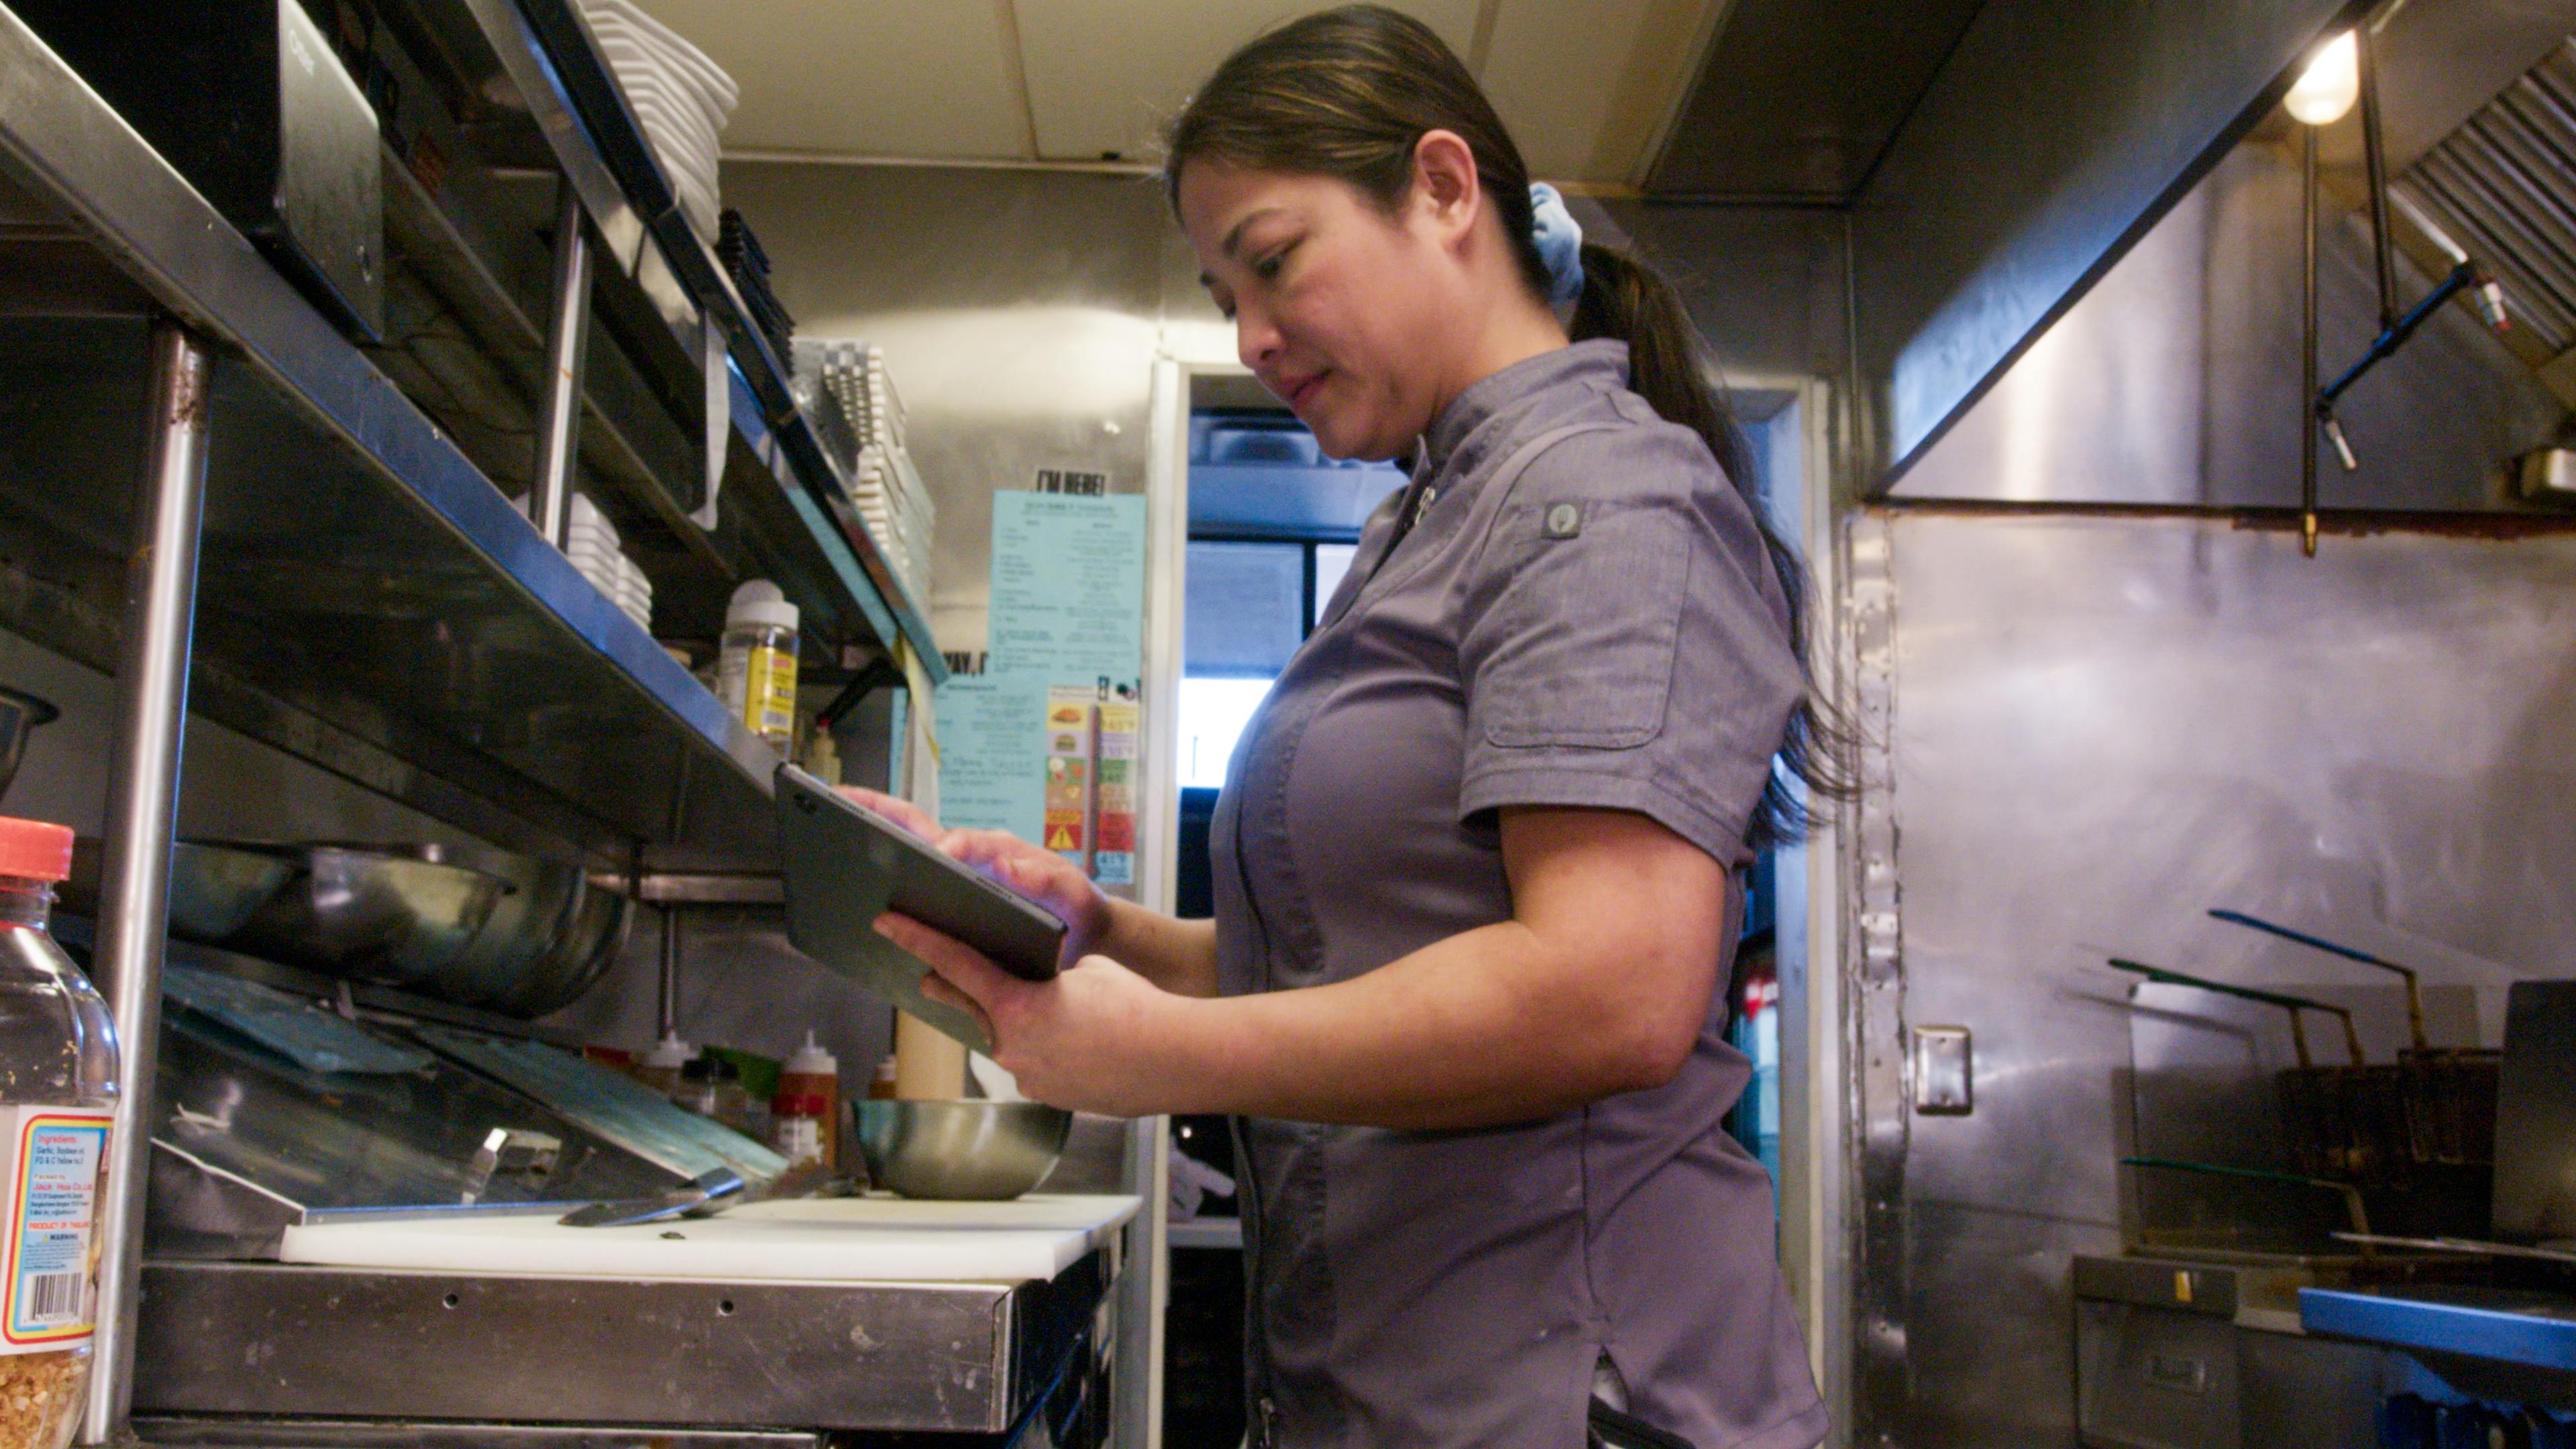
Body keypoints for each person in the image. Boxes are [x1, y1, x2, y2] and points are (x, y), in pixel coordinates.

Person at [856, 7, 1845, 1446]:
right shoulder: (1423, 527)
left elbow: (1613, 985)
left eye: (1273, 260)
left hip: (1573, 1405)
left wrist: (1160, 1061)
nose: (1252, 336)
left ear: (1444, 190)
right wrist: (1104, 934)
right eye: (1222, 294)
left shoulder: (1603, 500)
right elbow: (1361, 953)